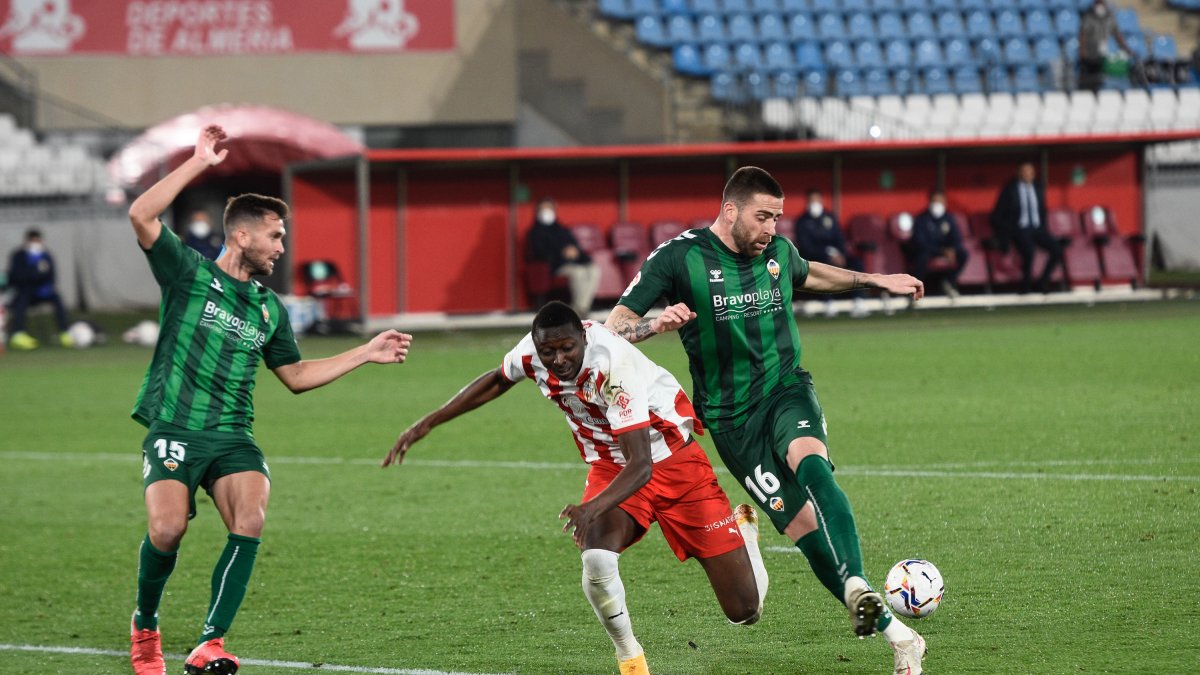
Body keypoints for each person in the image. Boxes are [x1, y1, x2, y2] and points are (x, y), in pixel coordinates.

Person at [605, 167, 928, 675]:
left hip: (785, 390)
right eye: (763, 216)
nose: (772, 228)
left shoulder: (775, 252)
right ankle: (901, 634)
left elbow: (809, 272)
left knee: (812, 466)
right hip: (732, 422)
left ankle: (857, 588)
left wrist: (872, 279)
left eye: (777, 217)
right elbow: (613, 329)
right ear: (730, 211)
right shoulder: (678, 258)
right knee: (801, 524)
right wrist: (654, 323)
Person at [127, 125, 413, 675]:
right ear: (242, 238)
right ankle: (146, 627)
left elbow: (297, 374)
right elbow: (142, 214)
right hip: (176, 428)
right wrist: (198, 163)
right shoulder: (188, 276)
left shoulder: (269, 309)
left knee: (251, 518)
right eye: (276, 236)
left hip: (233, 434)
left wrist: (365, 353)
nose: (282, 248)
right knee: (166, 531)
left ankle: (211, 642)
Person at [383, 301, 769, 675]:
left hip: (674, 465)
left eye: (566, 348)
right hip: (609, 466)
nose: (558, 359)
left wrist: (591, 507)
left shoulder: (613, 364)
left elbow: (641, 466)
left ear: (583, 338)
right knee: (597, 558)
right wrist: (428, 422)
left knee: (745, 611)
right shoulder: (534, 352)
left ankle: (745, 535)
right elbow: (497, 379)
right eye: (548, 351)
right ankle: (630, 659)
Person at [989, 161, 1065, 294]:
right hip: (1019, 229)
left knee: (1057, 249)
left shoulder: (1038, 187)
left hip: (1038, 228)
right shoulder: (1010, 189)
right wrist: (1008, 230)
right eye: (1025, 172)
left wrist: (1044, 228)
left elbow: (1042, 211)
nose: (1028, 174)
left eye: (1030, 172)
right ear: (1019, 173)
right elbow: (997, 215)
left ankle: (1042, 282)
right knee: (1029, 251)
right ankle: (1025, 285)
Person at [792, 188, 869, 318]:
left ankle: (859, 301)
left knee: (857, 263)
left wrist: (841, 255)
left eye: (817, 200)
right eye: (812, 200)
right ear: (807, 202)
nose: (814, 203)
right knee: (823, 264)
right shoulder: (801, 222)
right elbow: (806, 247)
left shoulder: (830, 218)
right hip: (815, 258)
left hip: (838, 256)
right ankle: (828, 303)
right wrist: (829, 255)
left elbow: (840, 239)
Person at [527, 197, 601, 317]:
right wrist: (562, 253)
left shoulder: (562, 230)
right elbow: (540, 253)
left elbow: (576, 248)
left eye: (549, 208)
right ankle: (578, 310)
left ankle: (581, 308)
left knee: (594, 270)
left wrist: (576, 253)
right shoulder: (535, 232)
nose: (546, 212)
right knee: (579, 272)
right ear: (537, 211)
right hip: (556, 267)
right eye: (543, 209)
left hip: (574, 263)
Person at [5, 227, 71, 350]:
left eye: (38, 240)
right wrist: (34, 271)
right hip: (25, 291)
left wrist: (46, 285)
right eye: (33, 240)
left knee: (57, 298)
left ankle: (65, 332)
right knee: (21, 300)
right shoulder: (18, 256)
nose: (35, 243)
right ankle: (18, 334)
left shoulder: (46, 256)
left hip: (42, 292)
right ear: (27, 241)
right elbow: (15, 277)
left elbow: (51, 276)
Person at [905, 190, 969, 298]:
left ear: (945, 202)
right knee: (922, 256)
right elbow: (920, 242)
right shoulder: (921, 219)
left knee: (963, 254)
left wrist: (952, 249)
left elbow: (956, 239)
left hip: (944, 251)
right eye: (934, 201)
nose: (937, 204)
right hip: (928, 251)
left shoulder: (949, 218)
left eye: (940, 201)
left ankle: (948, 282)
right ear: (929, 202)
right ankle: (916, 288)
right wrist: (941, 251)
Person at [1078, 0, 1132, 93]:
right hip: (1090, 54)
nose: (1100, 6)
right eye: (1098, 3)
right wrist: (1083, 52)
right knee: (1089, 80)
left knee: (1102, 79)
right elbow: (1083, 35)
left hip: (1103, 53)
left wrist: (1125, 48)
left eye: (1101, 3)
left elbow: (1116, 33)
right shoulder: (1089, 16)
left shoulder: (1110, 17)